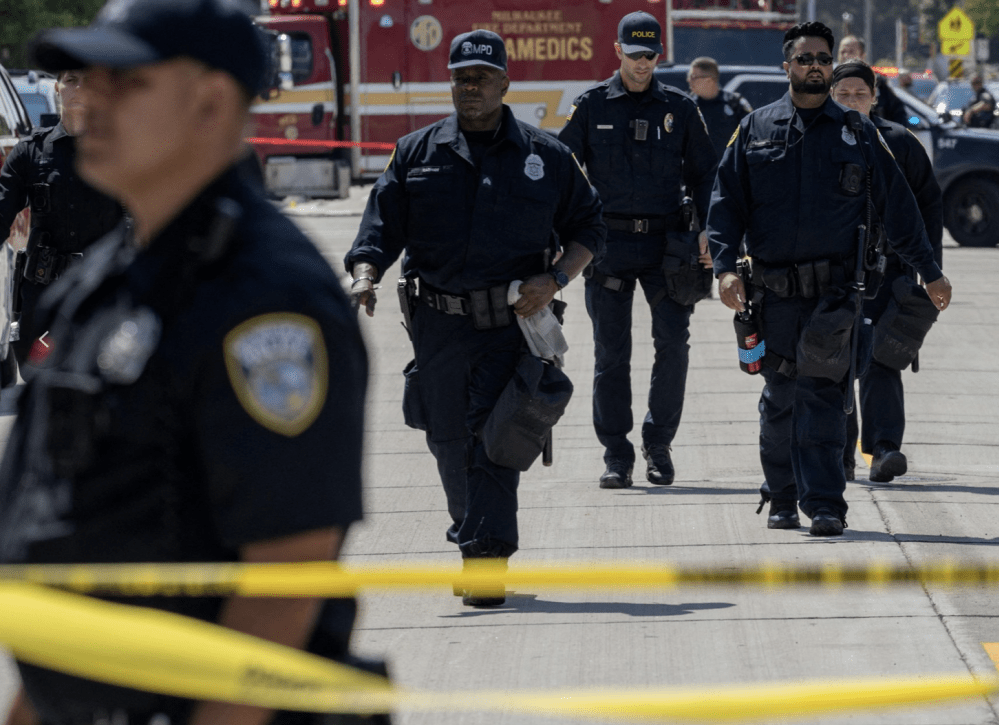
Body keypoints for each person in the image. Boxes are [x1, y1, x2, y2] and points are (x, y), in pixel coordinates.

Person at [0, 1, 379, 724]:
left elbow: (285, 575)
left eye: (125, 82)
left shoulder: (264, 296)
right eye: (88, 79)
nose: (90, 100)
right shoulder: (115, 274)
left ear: (209, 104)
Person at [345, 30, 605, 606]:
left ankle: (486, 559)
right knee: (447, 440)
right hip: (438, 324)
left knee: (496, 440)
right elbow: (379, 228)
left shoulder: (546, 156)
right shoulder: (416, 152)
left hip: (512, 325)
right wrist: (365, 275)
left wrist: (556, 278)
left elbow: (589, 228)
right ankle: (471, 532)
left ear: (504, 83)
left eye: (481, 78)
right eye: (461, 77)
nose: (470, 87)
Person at [707, 22, 952, 537]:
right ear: (787, 66)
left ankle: (824, 505)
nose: (814, 66)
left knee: (823, 398)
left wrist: (929, 270)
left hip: (834, 297)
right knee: (780, 398)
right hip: (772, 295)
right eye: (805, 59)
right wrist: (726, 268)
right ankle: (780, 495)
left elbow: (900, 207)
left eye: (822, 58)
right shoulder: (754, 129)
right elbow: (725, 204)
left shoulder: (859, 133)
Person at [558, 12, 717, 489]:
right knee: (611, 353)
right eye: (634, 54)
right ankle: (616, 453)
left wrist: (708, 229)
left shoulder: (680, 108)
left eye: (650, 55)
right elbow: (563, 170)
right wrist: (562, 233)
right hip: (608, 244)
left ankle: (658, 443)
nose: (642, 63)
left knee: (673, 346)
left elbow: (706, 175)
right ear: (617, 51)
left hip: (667, 246)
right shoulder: (591, 106)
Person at [832, 59, 944, 484]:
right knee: (832, 361)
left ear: (875, 97)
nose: (852, 101)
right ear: (830, 96)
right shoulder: (817, 139)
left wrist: (930, 271)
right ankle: (839, 453)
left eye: (860, 94)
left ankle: (883, 449)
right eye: (843, 94)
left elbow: (928, 208)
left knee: (883, 358)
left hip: (890, 270)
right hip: (832, 271)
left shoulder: (899, 141)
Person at [0, 67, 122, 367]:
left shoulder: (121, 152)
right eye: (70, 80)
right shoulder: (30, 152)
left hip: (101, 292)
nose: (78, 88)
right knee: (36, 374)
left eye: (86, 81)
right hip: (43, 294)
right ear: (57, 87)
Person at [687, 56, 753, 160]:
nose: (689, 80)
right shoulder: (688, 105)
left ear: (709, 80)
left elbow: (751, 135)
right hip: (698, 169)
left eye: (693, 77)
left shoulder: (734, 103)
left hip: (729, 168)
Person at [837, 35, 909, 126]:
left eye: (851, 52)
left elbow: (899, 114)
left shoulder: (877, 84)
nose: (846, 56)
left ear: (862, 56)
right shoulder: (830, 84)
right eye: (842, 52)